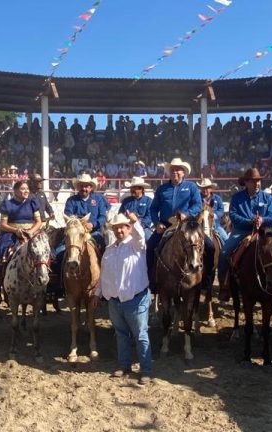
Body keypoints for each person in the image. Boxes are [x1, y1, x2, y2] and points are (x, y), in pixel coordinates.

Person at [92, 212, 151, 385]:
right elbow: (104, 274)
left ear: (128, 228)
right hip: (115, 300)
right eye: (116, 228)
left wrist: (135, 221)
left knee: (140, 335)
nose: (119, 230)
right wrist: (97, 293)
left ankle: (145, 369)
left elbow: (139, 235)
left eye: (122, 227)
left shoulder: (136, 244)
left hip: (135, 298)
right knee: (121, 334)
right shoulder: (109, 251)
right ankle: (125, 365)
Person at [218, 168, 272, 301]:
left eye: (258, 181)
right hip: (241, 230)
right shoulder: (237, 198)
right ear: (246, 182)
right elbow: (233, 216)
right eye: (253, 181)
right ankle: (224, 285)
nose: (257, 184)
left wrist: (263, 220)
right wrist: (249, 221)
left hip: (264, 231)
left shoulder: (267, 198)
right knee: (223, 253)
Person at [0, 181, 42, 303]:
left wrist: (31, 231)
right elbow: (2, 225)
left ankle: (47, 291)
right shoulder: (7, 204)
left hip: (31, 232)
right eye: (22, 189)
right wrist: (16, 230)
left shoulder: (32, 203)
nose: (26, 191)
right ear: (15, 190)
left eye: (27, 189)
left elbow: (38, 221)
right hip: (11, 234)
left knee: (49, 255)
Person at [147, 158, 202, 291]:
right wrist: (157, 223)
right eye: (173, 169)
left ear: (183, 172)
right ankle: (152, 281)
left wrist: (187, 214)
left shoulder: (191, 187)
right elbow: (153, 208)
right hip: (166, 224)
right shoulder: (161, 189)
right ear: (169, 172)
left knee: (210, 246)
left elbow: (198, 205)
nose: (175, 172)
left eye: (178, 169)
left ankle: (205, 281)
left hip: (188, 225)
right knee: (150, 247)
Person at [197, 178, 228, 243]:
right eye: (203, 188)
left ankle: (226, 252)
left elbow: (221, 210)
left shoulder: (217, 198)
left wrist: (214, 215)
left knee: (226, 239)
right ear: (200, 189)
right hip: (200, 226)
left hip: (215, 225)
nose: (205, 190)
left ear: (211, 189)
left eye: (207, 188)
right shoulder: (197, 198)